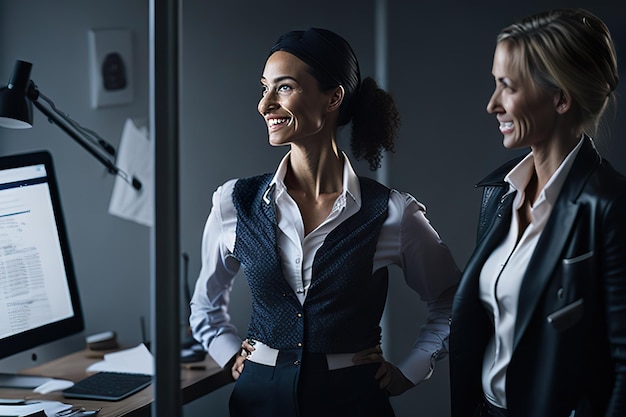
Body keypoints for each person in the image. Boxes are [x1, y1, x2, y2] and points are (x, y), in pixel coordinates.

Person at [189, 27, 460, 417]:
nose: (265, 105)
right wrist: (230, 355)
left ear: (333, 97)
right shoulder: (234, 203)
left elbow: (451, 301)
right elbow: (204, 305)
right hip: (258, 398)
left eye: (283, 88)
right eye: (264, 88)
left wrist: (412, 370)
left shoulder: (392, 212)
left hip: (352, 398)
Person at [449, 8, 625, 417]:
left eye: (507, 87)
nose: (492, 104)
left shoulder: (610, 208)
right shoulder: (500, 194)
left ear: (560, 98)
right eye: (495, 84)